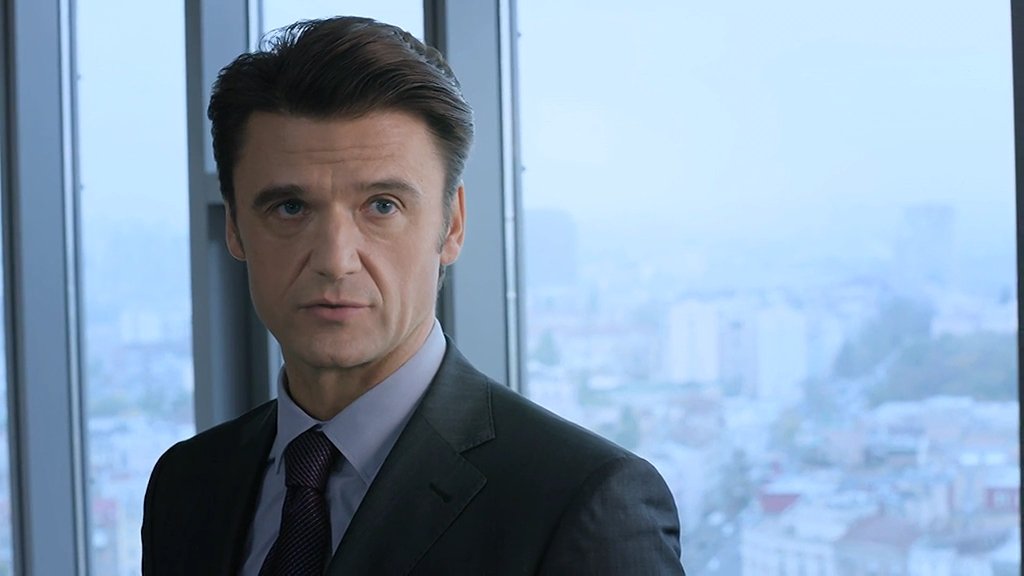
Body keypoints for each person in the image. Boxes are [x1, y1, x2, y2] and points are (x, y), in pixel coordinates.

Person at [142, 16, 685, 576]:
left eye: (382, 206)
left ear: (452, 226)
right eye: (290, 207)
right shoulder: (187, 484)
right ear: (234, 227)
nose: (335, 259)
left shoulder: (582, 502)